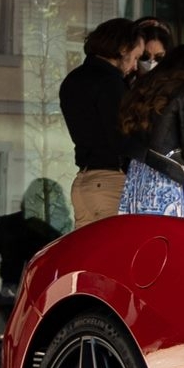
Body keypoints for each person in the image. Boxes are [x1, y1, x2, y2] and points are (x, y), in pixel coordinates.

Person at [59, 19, 151, 226]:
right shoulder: (111, 83)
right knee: (120, 254)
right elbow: (121, 138)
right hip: (111, 183)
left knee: (92, 255)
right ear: (122, 49)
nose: (135, 66)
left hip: (83, 183)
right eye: (135, 57)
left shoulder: (73, 78)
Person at [119, 44, 184, 220]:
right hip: (166, 179)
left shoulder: (144, 86)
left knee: (140, 238)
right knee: (169, 242)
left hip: (136, 177)